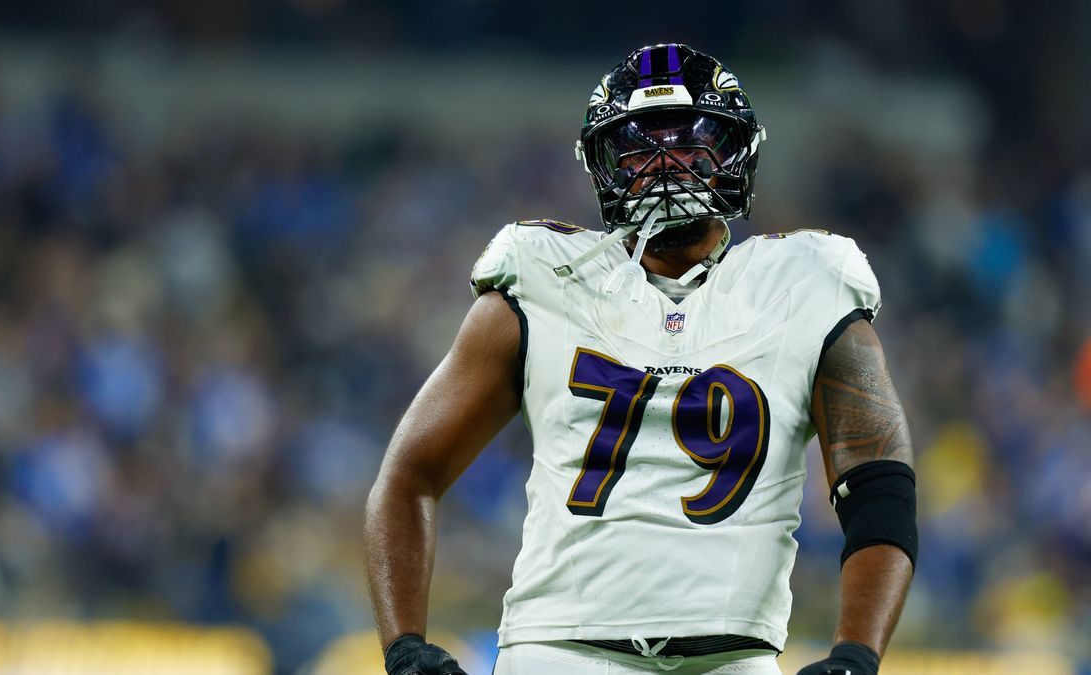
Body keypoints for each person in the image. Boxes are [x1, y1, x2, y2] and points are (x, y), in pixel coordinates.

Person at [365, 44, 917, 675]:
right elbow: (408, 478)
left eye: (688, 141)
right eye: (639, 146)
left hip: (732, 657)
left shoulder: (807, 281)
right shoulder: (544, 276)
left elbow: (880, 492)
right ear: (604, 163)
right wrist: (405, 647)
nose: (664, 164)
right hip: (558, 652)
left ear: (736, 151)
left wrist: (856, 654)